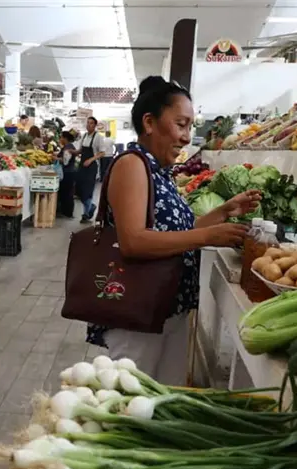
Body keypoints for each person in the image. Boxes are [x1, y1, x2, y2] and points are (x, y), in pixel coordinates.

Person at [86, 76, 260, 385]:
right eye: (181, 124)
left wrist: (223, 211)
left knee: (159, 404)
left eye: (190, 127)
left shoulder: (160, 171)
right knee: (127, 405)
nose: (185, 136)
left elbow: (180, 232)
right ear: (149, 122)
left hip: (168, 309)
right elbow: (134, 241)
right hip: (136, 313)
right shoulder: (132, 165)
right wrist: (207, 237)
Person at [77, 116, 108, 223]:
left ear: (95, 125)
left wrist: (91, 160)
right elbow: (80, 150)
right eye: (87, 123)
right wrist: (73, 152)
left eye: (91, 123)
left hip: (92, 167)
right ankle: (91, 207)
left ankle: (85, 214)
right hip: (82, 165)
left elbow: (102, 152)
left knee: (87, 190)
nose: (88, 125)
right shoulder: (84, 136)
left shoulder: (98, 137)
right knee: (79, 190)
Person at [57, 132, 79, 218]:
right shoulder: (68, 146)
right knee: (67, 192)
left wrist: (56, 158)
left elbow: (65, 161)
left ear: (65, 138)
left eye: (61, 137)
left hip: (68, 172)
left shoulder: (68, 147)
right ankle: (66, 211)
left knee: (67, 192)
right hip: (69, 172)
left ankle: (67, 212)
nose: (60, 139)